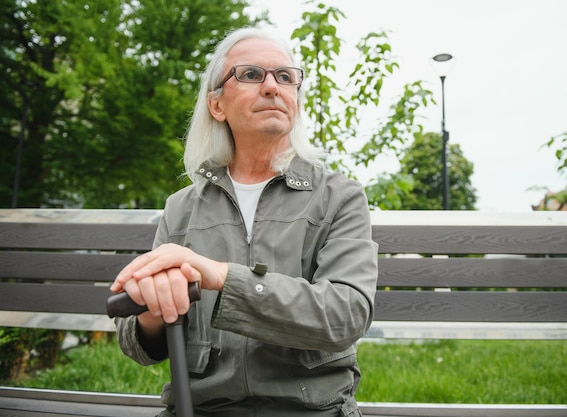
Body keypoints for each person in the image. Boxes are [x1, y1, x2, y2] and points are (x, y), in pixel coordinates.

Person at [110, 27, 378, 417]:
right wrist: (154, 311)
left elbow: (346, 314)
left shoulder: (340, 197)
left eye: (285, 77)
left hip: (310, 411)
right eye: (251, 75)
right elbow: (136, 345)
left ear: (296, 102)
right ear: (216, 105)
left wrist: (220, 275)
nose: (272, 87)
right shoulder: (182, 208)